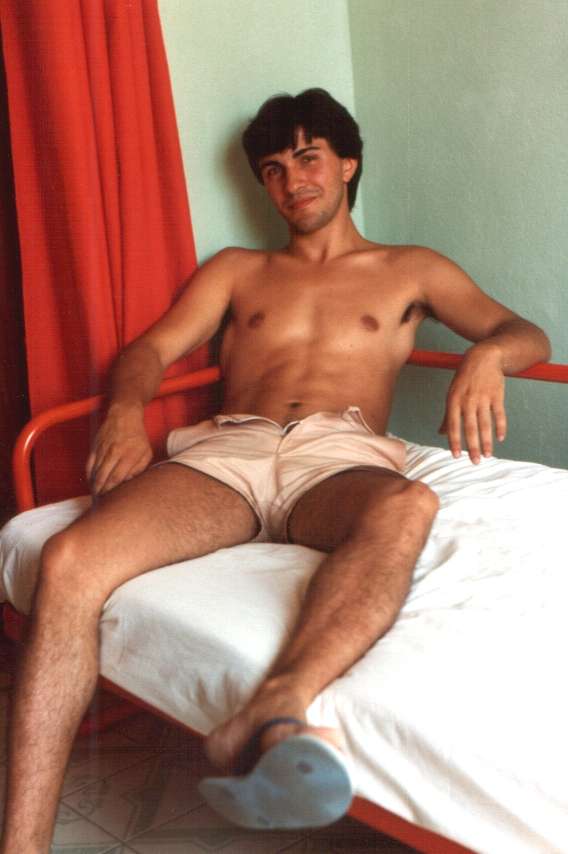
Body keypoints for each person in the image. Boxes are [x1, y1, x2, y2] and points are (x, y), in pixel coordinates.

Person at [1, 88, 550, 849]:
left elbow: (524, 332)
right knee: (67, 561)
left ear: (347, 164)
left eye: (308, 158)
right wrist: (125, 409)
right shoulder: (238, 270)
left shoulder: (410, 268)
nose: (293, 181)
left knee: (407, 504)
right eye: (273, 169)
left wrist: (487, 356)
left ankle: (276, 706)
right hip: (229, 451)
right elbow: (151, 350)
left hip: (338, 455)